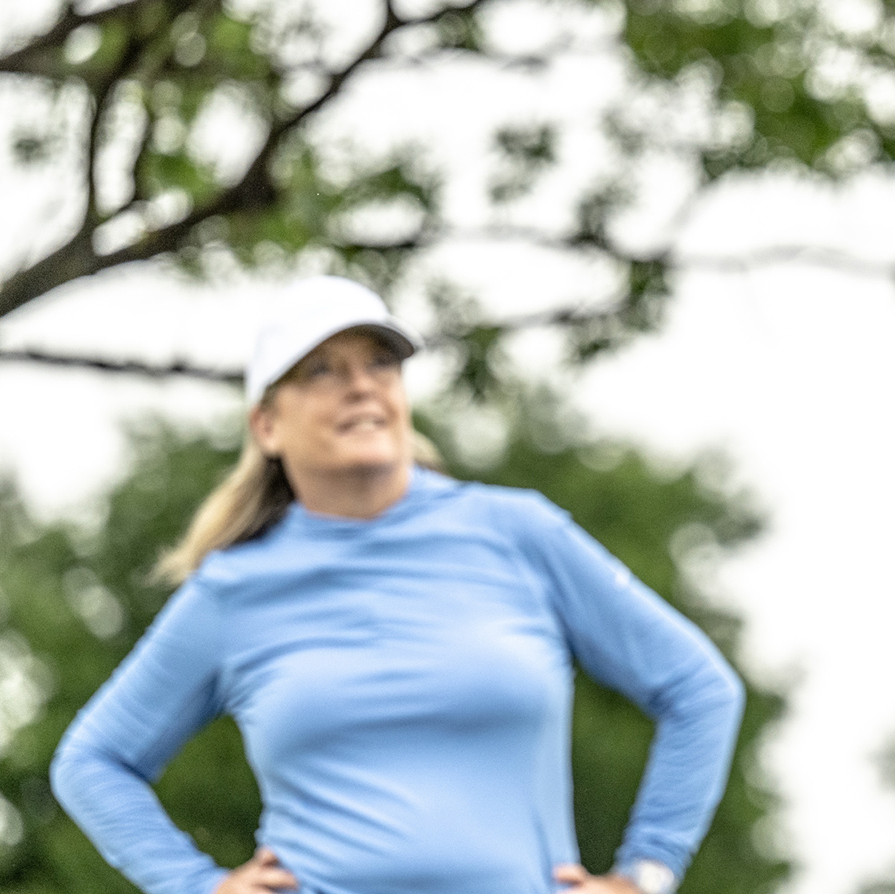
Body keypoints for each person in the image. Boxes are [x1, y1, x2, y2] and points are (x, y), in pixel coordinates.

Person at [51, 275, 743, 894]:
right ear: (267, 425)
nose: (360, 385)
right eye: (320, 370)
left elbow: (700, 689)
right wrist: (195, 885)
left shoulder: (518, 534)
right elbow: (92, 762)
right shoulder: (233, 590)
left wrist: (645, 874)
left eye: (379, 363)